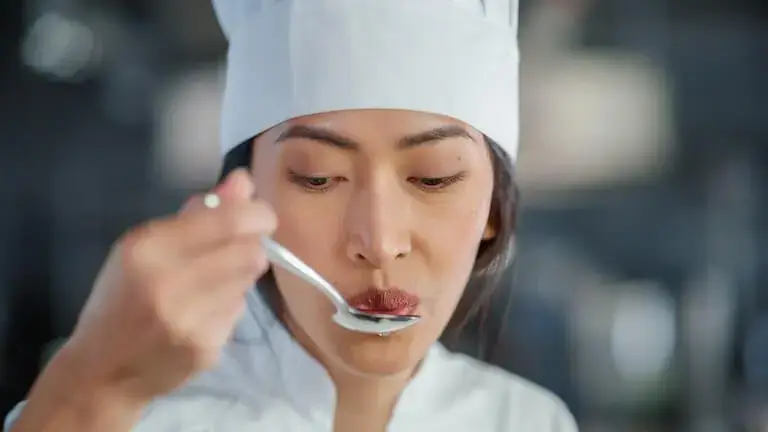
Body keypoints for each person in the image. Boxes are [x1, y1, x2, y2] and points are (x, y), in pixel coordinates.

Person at [5, 0, 578, 430]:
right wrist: (93, 386)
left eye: (433, 178)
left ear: (492, 209)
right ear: (245, 196)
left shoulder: (528, 421)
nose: (380, 241)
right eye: (317, 177)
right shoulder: (129, 415)